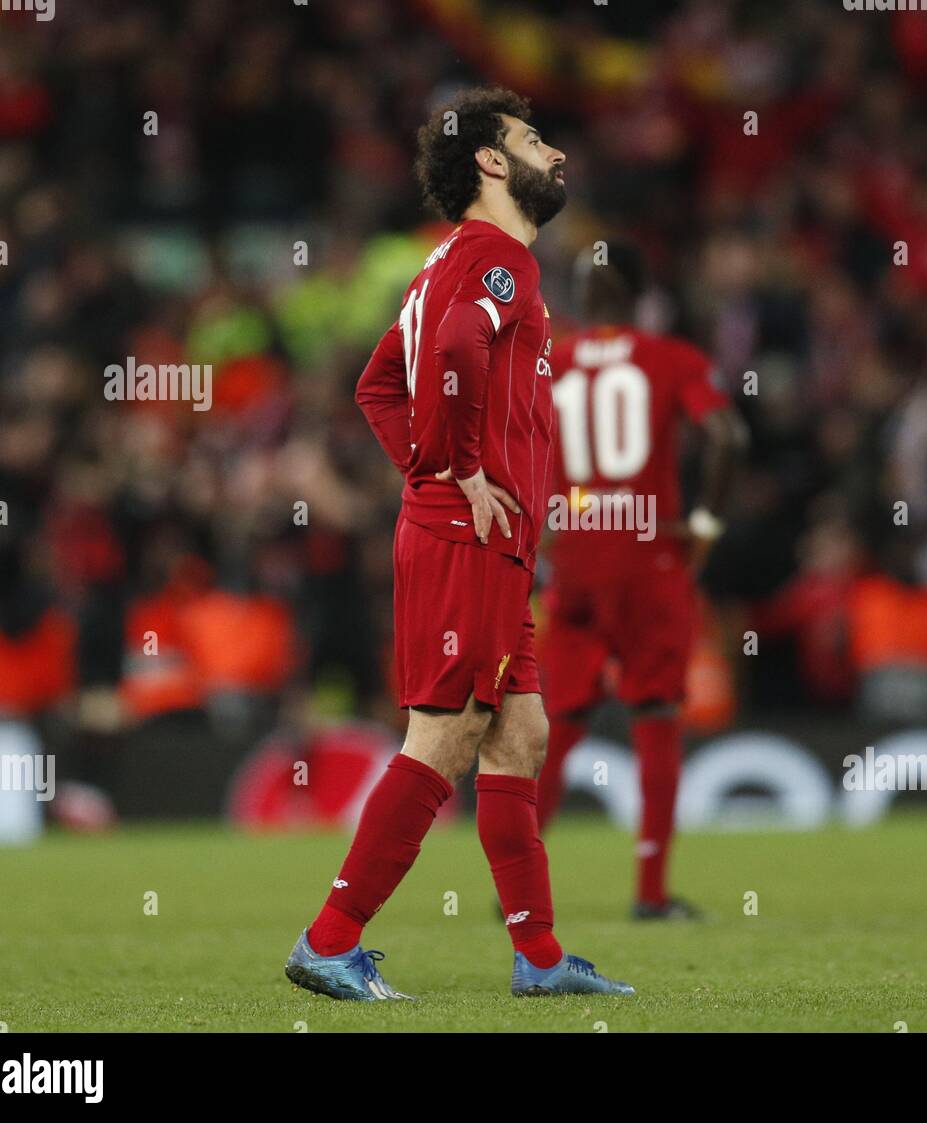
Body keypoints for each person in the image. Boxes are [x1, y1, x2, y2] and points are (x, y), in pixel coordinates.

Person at [284, 87, 633, 1000]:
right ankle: (328, 939)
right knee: (445, 735)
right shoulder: (494, 260)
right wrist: (457, 470)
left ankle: (542, 958)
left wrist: (432, 473)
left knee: (520, 733)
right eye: (532, 138)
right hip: (467, 536)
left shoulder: (447, 263)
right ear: (489, 161)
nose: (553, 153)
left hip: (481, 536)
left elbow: (375, 387)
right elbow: (451, 354)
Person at [536, 242, 747, 918]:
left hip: (572, 557)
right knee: (654, 715)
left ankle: (520, 888)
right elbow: (727, 437)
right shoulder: (671, 359)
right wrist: (707, 524)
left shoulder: (551, 362)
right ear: (638, 293)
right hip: (648, 558)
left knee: (558, 722)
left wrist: (542, 529)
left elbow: (509, 445)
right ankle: (651, 894)